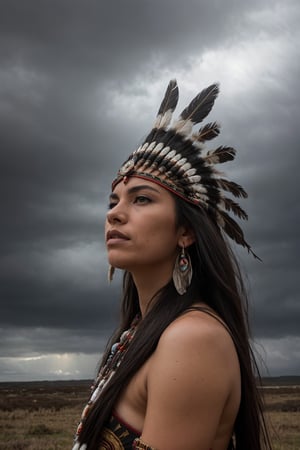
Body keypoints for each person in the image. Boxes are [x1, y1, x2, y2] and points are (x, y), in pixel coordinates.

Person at [72, 80, 273, 450]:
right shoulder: (139, 332)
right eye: (112, 201)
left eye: (142, 199)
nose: (115, 214)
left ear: (186, 232)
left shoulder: (192, 339)